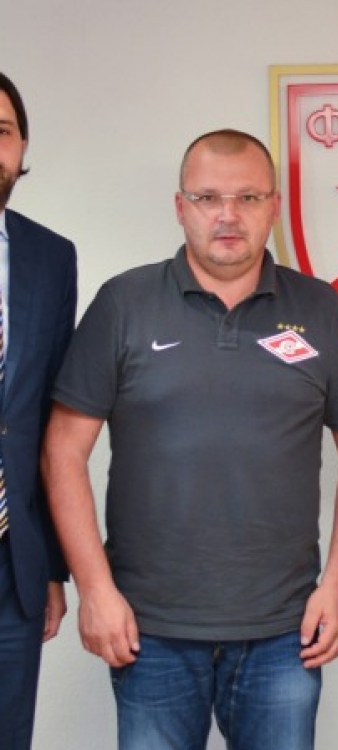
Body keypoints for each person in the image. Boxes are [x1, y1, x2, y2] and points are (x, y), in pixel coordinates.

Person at [41, 128, 338, 750]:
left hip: (285, 630)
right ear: (180, 207)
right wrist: (95, 589)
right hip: (149, 628)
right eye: (207, 198)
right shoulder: (123, 303)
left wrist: (335, 585)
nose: (228, 215)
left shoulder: (321, 308)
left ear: (274, 207)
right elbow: (63, 449)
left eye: (248, 198)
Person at [0, 72, 77, 750]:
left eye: (0, 132)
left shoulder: (50, 257)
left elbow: (51, 423)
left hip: (12, 567)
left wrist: (51, 564)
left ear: (21, 147)